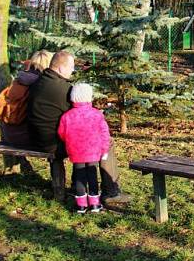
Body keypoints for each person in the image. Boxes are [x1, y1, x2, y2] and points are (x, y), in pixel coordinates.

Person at [25, 51, 131, 204]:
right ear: (61, 68)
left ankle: (78, 185)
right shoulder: (64, 89)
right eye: (71, 68)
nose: (72, 71)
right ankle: (111, 191)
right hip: (51, 143)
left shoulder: (39, 82)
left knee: (78, 138)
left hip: (35, 138)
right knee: (106, 142)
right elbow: (81, 119)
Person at [0, 50, 54, 173]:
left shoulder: (18, 80)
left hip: (8, 135)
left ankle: (21, 163)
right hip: (27, 139)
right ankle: (57, 180)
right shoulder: (42, 85)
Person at [57, 83, 111, 214]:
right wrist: (104, 149)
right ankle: (94, 204)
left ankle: (81, 205)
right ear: (90, 97)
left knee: (79, 176)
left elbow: (61, 133)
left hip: (76, 152)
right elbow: (105, 133)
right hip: (93, 152)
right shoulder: (97, 114)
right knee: (92, 176)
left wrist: (70, 142)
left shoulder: (67, 116)